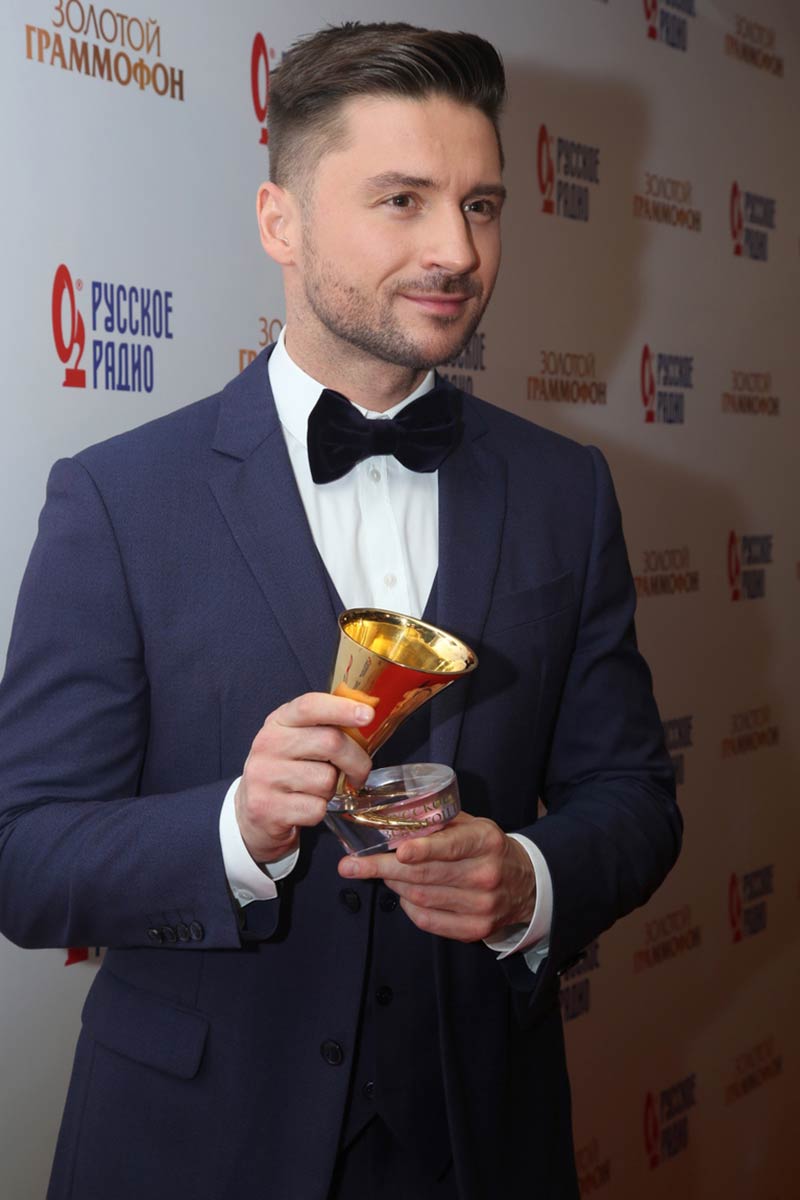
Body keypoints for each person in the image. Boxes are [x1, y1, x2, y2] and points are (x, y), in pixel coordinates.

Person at [0, 22, 681, 1200]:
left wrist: (528, 878)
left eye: (479, 205)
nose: (454, 250)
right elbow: (23, 856)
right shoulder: (118, 499)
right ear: (281, 221)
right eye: (401, 200)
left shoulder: (563, 492)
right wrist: (234, 828)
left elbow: (631, 797)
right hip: (192, 1153)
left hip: (480, 1140)